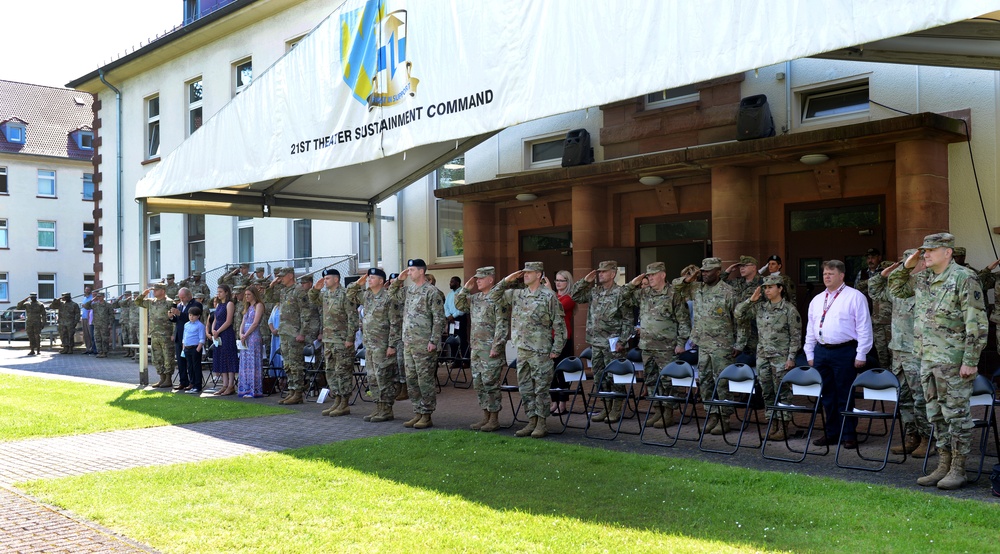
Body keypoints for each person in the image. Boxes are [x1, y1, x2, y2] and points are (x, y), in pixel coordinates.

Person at [889, 233, 988, 490]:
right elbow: (896, 288)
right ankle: (943, 464)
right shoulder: (922, 278)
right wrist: (907, 266)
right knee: (936, 415)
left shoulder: (963, 278)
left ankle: (958, 468)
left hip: (953, 361)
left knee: (956, 415)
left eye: (932, 250)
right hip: (927, 359)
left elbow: (976, 323)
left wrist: (971, 360)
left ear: (948, 252)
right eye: (924, 251)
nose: (926, 255)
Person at [490, 261, 566, 438]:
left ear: (539, 275)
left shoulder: (549, 296)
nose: (525, 275)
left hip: (541, 350)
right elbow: (493, 296)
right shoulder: (517, 294)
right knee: (525, 388)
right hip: (522, 350)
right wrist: (507, 280)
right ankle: (531, 421)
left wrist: (557, 348)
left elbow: (559, 325)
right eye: (524, 273)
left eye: (529, 273)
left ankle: (541, 423)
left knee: (540, 389)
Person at [869, 250, 933, 457]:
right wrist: (882, 276)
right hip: (898, 351)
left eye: (912, 260)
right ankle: (911, 436)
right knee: (904, 398)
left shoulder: (928, 285)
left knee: (920, 397)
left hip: (917, 352)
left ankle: (927, 439)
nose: (908, 264)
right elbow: (875, 292)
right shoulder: (898, 288)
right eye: (905, 261)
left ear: (922, 263)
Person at [803, 260, 872, 449]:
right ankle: (832, 432)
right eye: (824, 273)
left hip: (844, 351)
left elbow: (864, 327)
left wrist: (861, 354)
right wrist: (809, 352)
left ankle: (849, 434)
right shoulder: (817, 300)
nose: (826, 276)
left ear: (841, 276)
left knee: (844, 394)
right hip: (821, 351)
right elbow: (811, 327)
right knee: (827, 395)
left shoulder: (855, 297)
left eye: (831, 273)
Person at [676, 257, 742, 435]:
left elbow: (740, 321)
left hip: (722, 345)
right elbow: (676, 288)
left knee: (722, 382)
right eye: (703, 271)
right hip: (702, 344)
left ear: (718, 272)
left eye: (708, 271)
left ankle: (724, 418)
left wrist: (740, 344)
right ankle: (712, 414)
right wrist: (692, 276)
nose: (704, 274)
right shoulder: (697, 289)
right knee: (705, 381)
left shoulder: (729, 292)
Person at [624, 262, 691, 429]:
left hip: (667, 347)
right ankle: (657, 410)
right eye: (648, 275)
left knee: (667, 381)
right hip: (647, 346)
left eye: (653, 275)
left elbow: (683, 321)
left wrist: (681, 343)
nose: (650, 278)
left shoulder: (674, 294)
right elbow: (623, 296)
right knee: (651, 380)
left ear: (663, 275)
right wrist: (633, 283)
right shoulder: (644, 293)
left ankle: (668, 413)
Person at [735, 274, 801, 440]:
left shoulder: (789, 310)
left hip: (781, 358)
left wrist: (791, 357)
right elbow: (738, 314)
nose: (767, 290)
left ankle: (784, 425)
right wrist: (751, 300)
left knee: (783, 392)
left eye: (770, 287)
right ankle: (773, 422)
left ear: (780, 288)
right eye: (765, 287)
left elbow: (796, 336)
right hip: (763, 356)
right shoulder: (760, 307)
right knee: (767, 392)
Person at [570, 260, 634, 423]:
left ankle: (616, 408)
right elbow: (574, 296)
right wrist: (585, 281)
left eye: (604, 272)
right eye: (599, 272)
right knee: (599, 377)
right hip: (596, 342)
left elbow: (628, 319)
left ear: (613, 274)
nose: (600, 274)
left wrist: (622, 340)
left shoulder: (621, 293)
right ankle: (605, 406)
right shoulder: (594, 292)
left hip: (613, 343)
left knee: (615, 377)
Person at [389, 259, 446, 429]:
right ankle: (417, 412)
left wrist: (433, 341)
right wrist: (399, 279)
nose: (409, 273)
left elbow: (439, 319)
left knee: (424, 380)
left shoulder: (432, 292)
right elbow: (392, 293)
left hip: (424, 344)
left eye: (412, 270)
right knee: (411, 379)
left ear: (421, 271)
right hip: (409, 343)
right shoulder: (409, 290)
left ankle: (427, 414)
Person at [455, 267, 509, 432]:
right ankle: (485, 416)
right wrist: (466, 288)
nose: (477, 281)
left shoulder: (498, 298)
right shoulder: (476, 298)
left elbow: (502, 325)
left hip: (490, 349)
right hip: (477, 348)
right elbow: (458, 304)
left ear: (490, 280)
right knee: (478, 383)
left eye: (480, 278)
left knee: (490, 383)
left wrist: (497, 346)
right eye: (476, 278)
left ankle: (494, 418)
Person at [347, 268, 401, 421]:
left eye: (372, 277)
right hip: (369, 345)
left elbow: (395, 324)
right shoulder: (368, 296)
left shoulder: (388, 298)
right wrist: (359, 282)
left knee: (383, 377)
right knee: (372, 378)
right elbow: (350, 294)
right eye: (368, 277)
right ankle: (378, 408)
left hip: (383, 345)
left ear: (381, 281)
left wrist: (392, 345)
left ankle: (387, 409)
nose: (369, 280)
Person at [309, 268, 360, 417]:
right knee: (330, 372)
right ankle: (336, 400)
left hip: (342, 341)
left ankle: (344, 403)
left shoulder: (345, 295)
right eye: (324, 279)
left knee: (342, 372)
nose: (325, 281)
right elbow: (312, 299)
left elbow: (352, 318)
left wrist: (350, 338)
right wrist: (315, 289)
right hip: (329, 340)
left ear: (336, 279)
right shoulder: (325, 295)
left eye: (327, 279)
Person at [264, 268, 313, 404]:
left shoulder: (299, 290)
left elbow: (305, 313)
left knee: (296, 364)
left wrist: (303, 333)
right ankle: (291, 391)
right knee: (288, 365)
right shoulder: (284, 291)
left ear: (290, 276)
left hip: (294, 333)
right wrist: (271, 286)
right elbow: (268, 299)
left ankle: (297, 393)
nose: (280, 279)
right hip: (284, 332)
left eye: (282, 276)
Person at [855, 248, 893, 368]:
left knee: (891, 348)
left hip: (889, 317)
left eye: (873, 257)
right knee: (878, 348)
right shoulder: (862, 273)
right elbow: (857, 289)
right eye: (868, 257)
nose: (870, 260)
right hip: (870, 315)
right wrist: (874, 280)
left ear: (879, 258)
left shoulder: (886, 270)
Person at [545, 269, 576, 415]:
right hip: (549, 337)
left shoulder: (569, 298)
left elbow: (557, 308)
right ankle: (554, 401)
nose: (558, 283)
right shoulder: (554, 296)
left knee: (561, 371)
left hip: (563, 337)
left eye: (561, 280)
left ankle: (562, 403)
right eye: (556, 280)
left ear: (567, 282)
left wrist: (549, 291)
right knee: (550, 371)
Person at [725, 255, 764, 366]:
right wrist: (728, 271)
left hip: (755, 328)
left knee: (756, 361)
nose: (741, 268)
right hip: (737, 328)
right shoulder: (737, 282)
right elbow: (719, 283)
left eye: (745, 266)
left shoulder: (763, 283)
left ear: (754, 267)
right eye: (740, 266)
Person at [137, 284, 177, 387]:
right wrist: (143, 294)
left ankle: (168, 379)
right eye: (153, 290)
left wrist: (173, 333)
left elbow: (174, 319)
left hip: (166, 334)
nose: (153, 292)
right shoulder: (151, 302)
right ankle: (162, 379)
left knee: (168, 357)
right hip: (155, 334)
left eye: (156, 290)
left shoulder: (170, 302)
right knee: (157, 357)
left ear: (163, 291)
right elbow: (138, 302)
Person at [168, 288, 202, 392]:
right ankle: (183, 382)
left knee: (191, 363)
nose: (181, 299)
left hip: (192, 339)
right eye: (180, 297)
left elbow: (192, 319)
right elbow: (178, 321)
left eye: (183, 297)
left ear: (189, 295)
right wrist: (171, 317)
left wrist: (179, 313)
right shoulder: (179, 305)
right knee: (180, 361)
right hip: (180, 337)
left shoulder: (196, 304)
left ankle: (194, 383)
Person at [210, 284, 239, 395]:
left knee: (228, 358)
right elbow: (215, 319)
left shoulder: (229, 304)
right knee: (221, 358)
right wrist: (213, 330)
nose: (218, 294)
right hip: (218, 335)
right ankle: (224, 384)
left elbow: (228, 321)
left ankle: (231, 385)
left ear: (226, 292)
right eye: (218, 291)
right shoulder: (218, 305)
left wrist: (218, 331)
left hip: (226, 334)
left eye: (221, 291)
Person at [238, 286, 265, 398]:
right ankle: (245, 388)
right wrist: (241, 334)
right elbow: (243, 322)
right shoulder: (248, 307)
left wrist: (246, 334)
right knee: (245, 363)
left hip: (253, 336)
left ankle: (254, 389)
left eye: (249, 294)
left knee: (253, 362)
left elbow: (255, 323)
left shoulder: (259, 305)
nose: (247, 297)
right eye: (246, 295)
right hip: (245, 336)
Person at [444, 275, 469, 367]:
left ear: (457, 283)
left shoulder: (463, 293)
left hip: (459, 318)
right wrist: (448, 316)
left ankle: (466, 361)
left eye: (452, 282)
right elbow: (445, 306)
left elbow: (464, 307)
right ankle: (456, 360)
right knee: (452, 340)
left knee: (462, 340)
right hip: (451, 320)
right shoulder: (449, 294)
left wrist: (453, 316)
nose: (450, 283)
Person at [181, 306, 206, 394]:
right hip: (187, 348)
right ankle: (191, 383)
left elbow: (202, 339)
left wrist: (197, 350)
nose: (191, 317)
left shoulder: (200, 326)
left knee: (196, 367)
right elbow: (184, 337)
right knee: (190, 367)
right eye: (190, 315)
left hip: (195, 348)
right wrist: (183, 347)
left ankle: (197, 385)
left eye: (194, 315)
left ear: (198, 316)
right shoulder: (186, 324)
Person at [83, 292, 114, 358]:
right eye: (97, 297)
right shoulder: (95, 305)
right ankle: (99, 352)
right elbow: (86, 306)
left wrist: (110, 324)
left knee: (105, 339)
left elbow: (111, 315)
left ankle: (104, 352)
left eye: (100, 296)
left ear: (103, 297)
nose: (98, 298)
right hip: (96, 324)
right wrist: (92, 300)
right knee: (97, 338)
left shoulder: (108, 305)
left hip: (104, 324)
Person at [80, 285, 95, 354]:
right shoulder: (84, 298)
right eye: (86, 290)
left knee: (90, 334)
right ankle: (88, 348)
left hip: (90, 319)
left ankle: (93, 348)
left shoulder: (92, 298)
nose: (86, 291)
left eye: (88, 290)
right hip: (84, 318)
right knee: (85, 335)